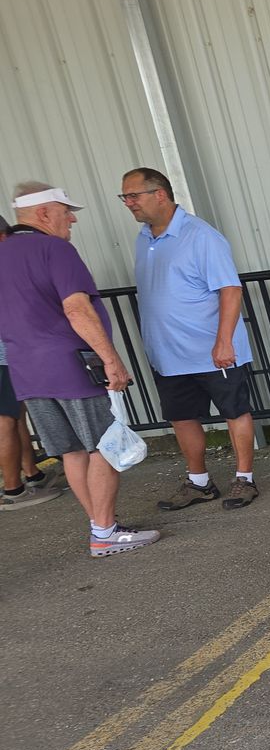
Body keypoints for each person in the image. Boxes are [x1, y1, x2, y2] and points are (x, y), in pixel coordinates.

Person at [0, 183, 158, 556]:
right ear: (43, 214)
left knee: (70, 452)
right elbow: (76, 309)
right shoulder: (55, 249)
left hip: (25, 370)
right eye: (65, 211)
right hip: (69, 363)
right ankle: (104, 532)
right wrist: (111, 358)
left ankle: (101, 526)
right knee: (103, 446)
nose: (71, 219)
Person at [120, 167, 257, 511]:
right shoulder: (144, 238)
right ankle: (199, 482)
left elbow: (229, 289)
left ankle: (244, 479)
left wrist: (224, 341)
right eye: (125, 197)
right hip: (169, 353)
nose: (128, 203)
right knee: (181, 417)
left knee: (234, 411)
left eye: (133, 195)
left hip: (211, 350)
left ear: (160, 194)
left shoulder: (201, 236)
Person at [0, 216, 66, 511]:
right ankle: (13, 489)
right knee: (6, 421)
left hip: (12, 355)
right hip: (5, 355)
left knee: (17, 415)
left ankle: (33, 474)